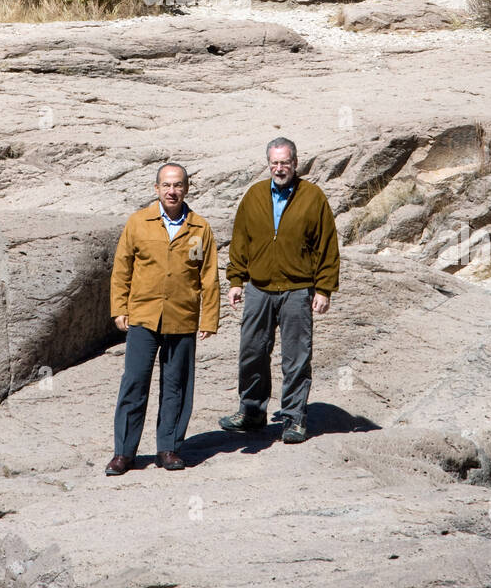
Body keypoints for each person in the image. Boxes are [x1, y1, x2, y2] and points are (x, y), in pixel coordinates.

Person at [219, 137, 340, 443]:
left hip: (297, 290)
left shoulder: (313, 197)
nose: (279, 168)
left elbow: (327, 246)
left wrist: (323, 289)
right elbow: (240, 241)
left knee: (296, 357)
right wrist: (236, 280)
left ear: (295, 163)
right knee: (252, 352)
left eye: (285, 162)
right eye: (274, 163)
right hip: (259, 288)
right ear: (268, 164)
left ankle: (294, 418)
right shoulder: (254, 195)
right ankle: (251, 411)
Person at [106, 162, 219, 475]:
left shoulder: (199, 229)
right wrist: (119, 308)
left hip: (182, 317)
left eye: (178, 185)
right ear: (156, 189)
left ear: (187, 188)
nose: (172, 191)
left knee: (177, 386)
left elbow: (208, 276)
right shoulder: (139, 222)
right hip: (143, 316)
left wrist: (209, 318)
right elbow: (122, 268)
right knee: (134, 383)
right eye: (167, 185)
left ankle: (168, 449)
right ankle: (124, 453)